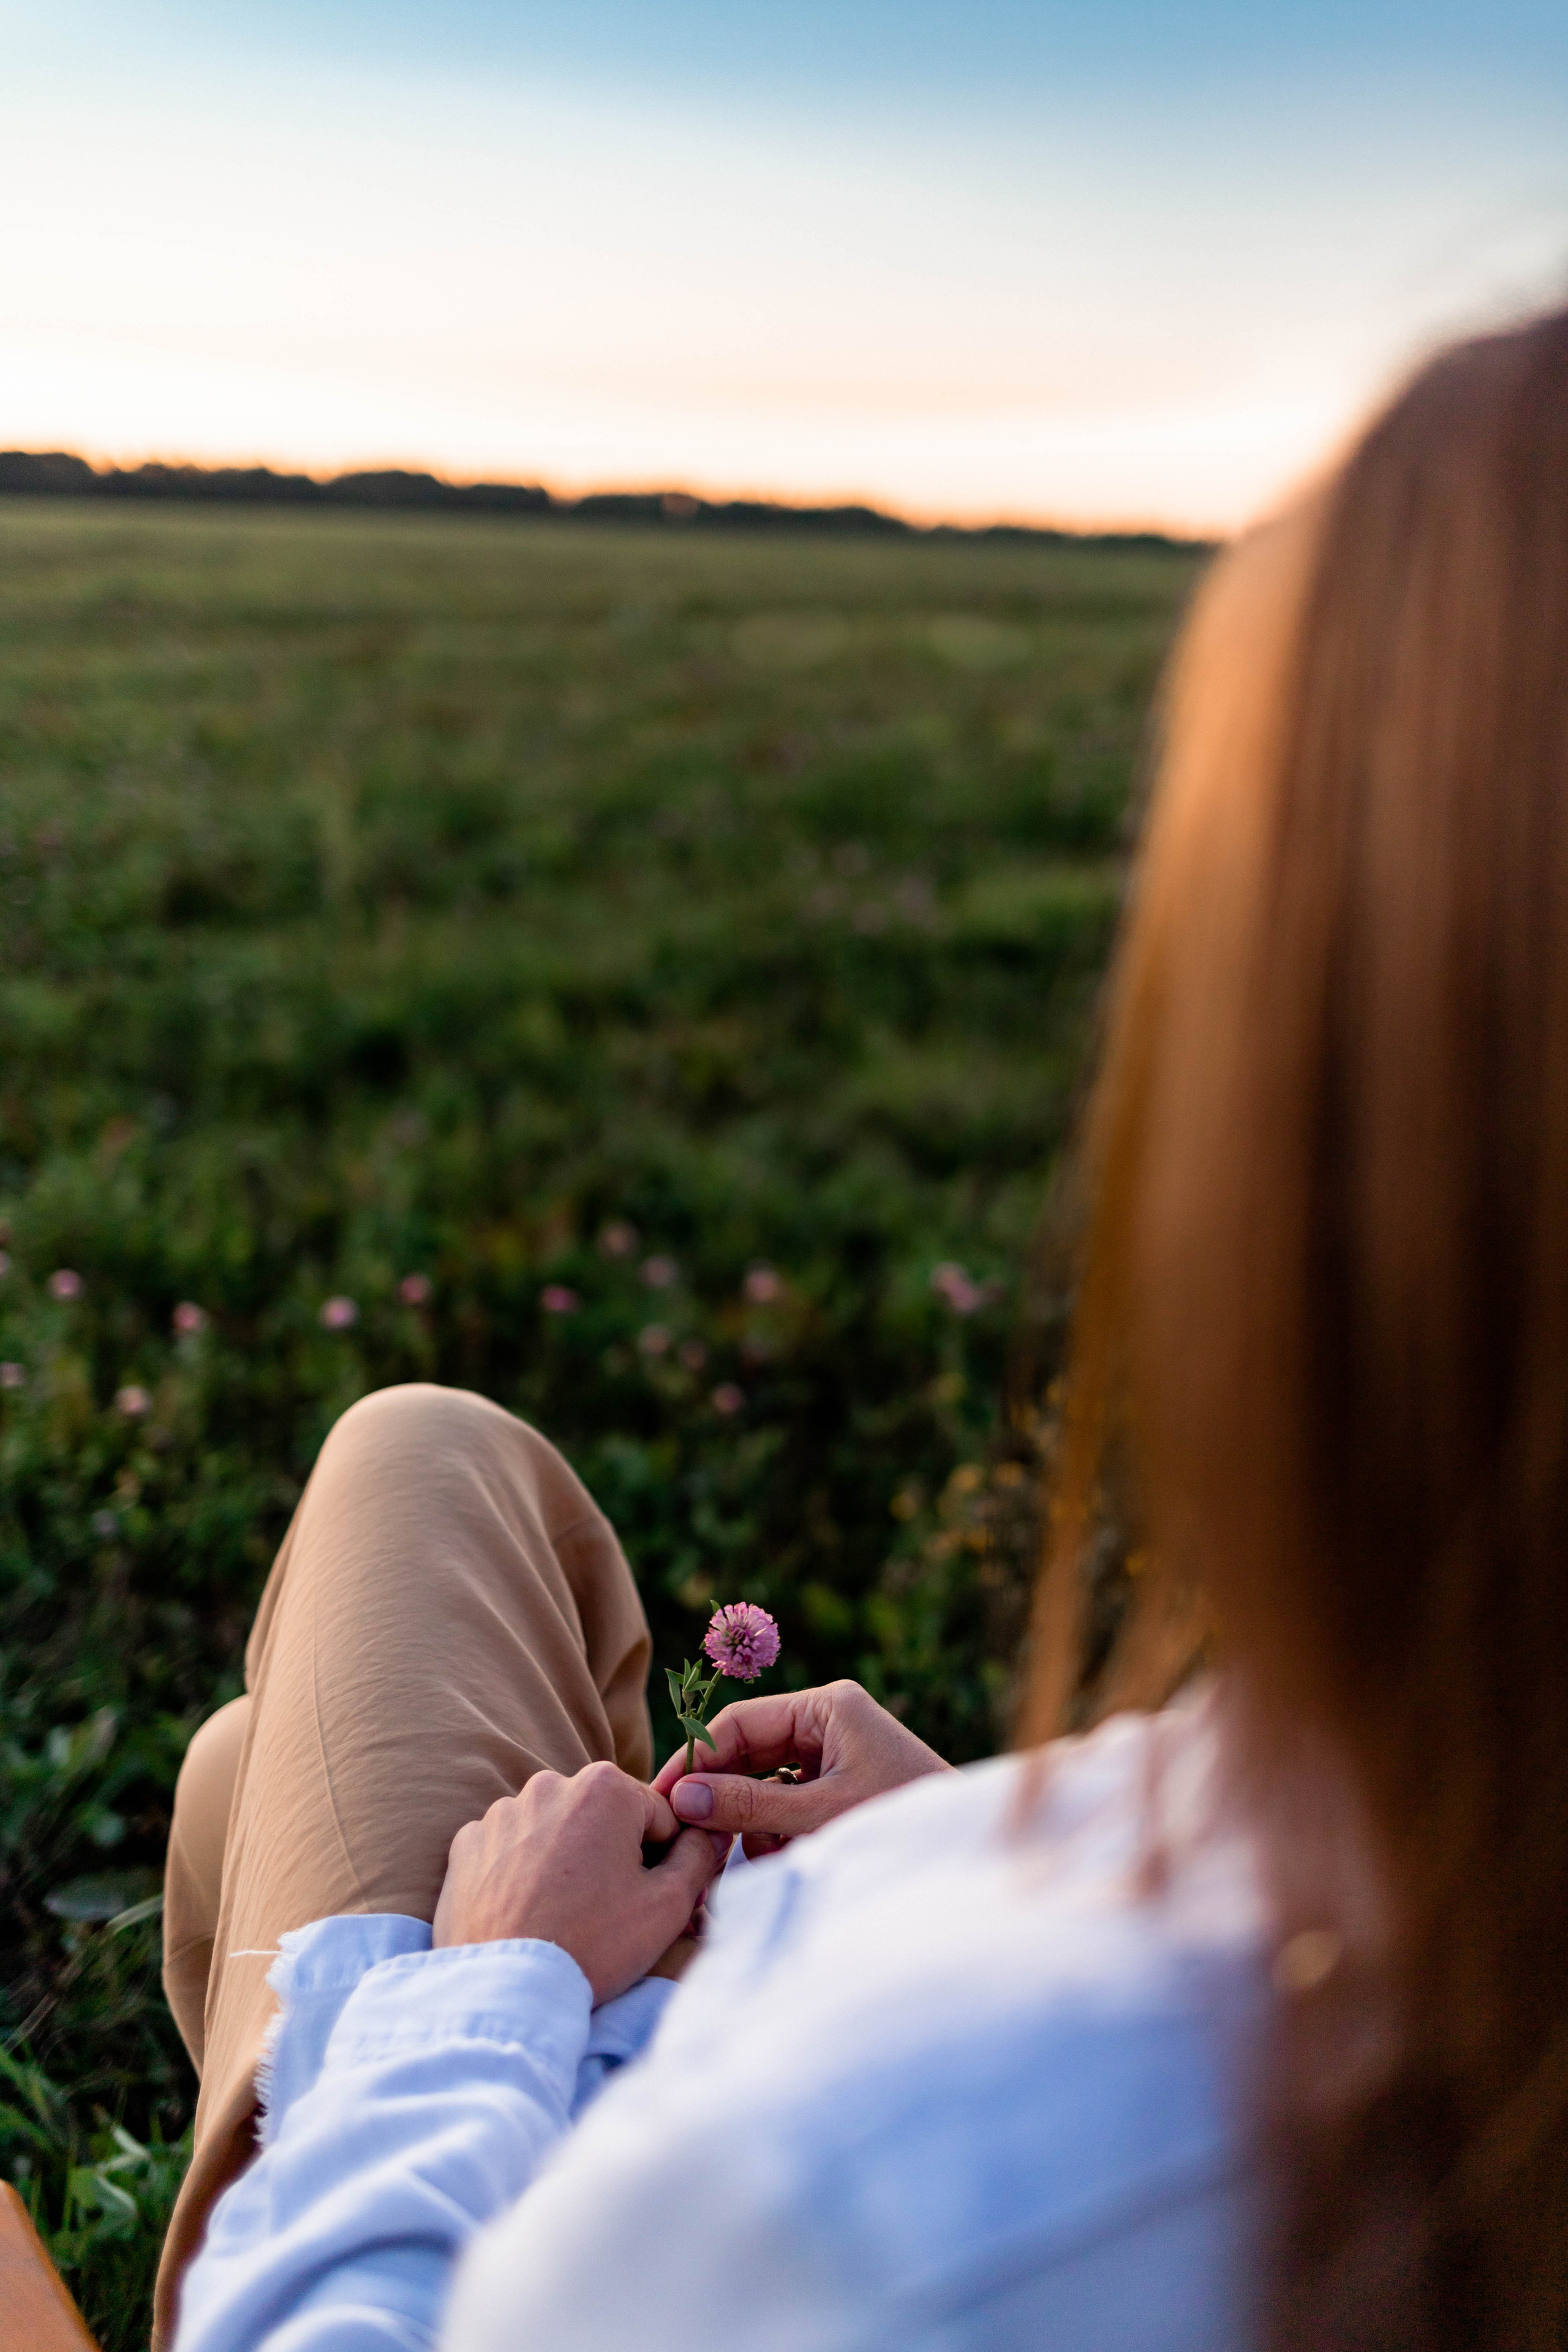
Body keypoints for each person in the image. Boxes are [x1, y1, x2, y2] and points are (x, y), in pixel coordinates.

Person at [160, 303, 1568, 2352]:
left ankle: (231, 2161)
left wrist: (499, 1987)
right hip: (844, 1998)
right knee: (277, 1724)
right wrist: (979, 1836)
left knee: (381, 1511)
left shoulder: (866, 2217)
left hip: (485, 2183)